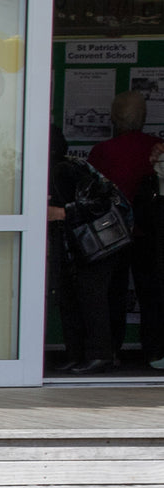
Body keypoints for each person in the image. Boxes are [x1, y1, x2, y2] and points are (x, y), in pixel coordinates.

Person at [88, 91, 164, 364]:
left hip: (112, 233)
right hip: (151, 233)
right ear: (143, 118)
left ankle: (111, 350)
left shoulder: (102, 152)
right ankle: (155, 352)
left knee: (112, 294)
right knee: (153, 293)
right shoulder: (158, 148)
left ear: (114, 118)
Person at [49, 130, 128, 376]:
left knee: (88, 298)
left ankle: (98, 355)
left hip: (95, 246)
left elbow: (104, 202)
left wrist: (63, 213)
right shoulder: (66, 166)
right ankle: (81, 355)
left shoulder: (64, 169)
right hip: (80, 246)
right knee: (74, 297)